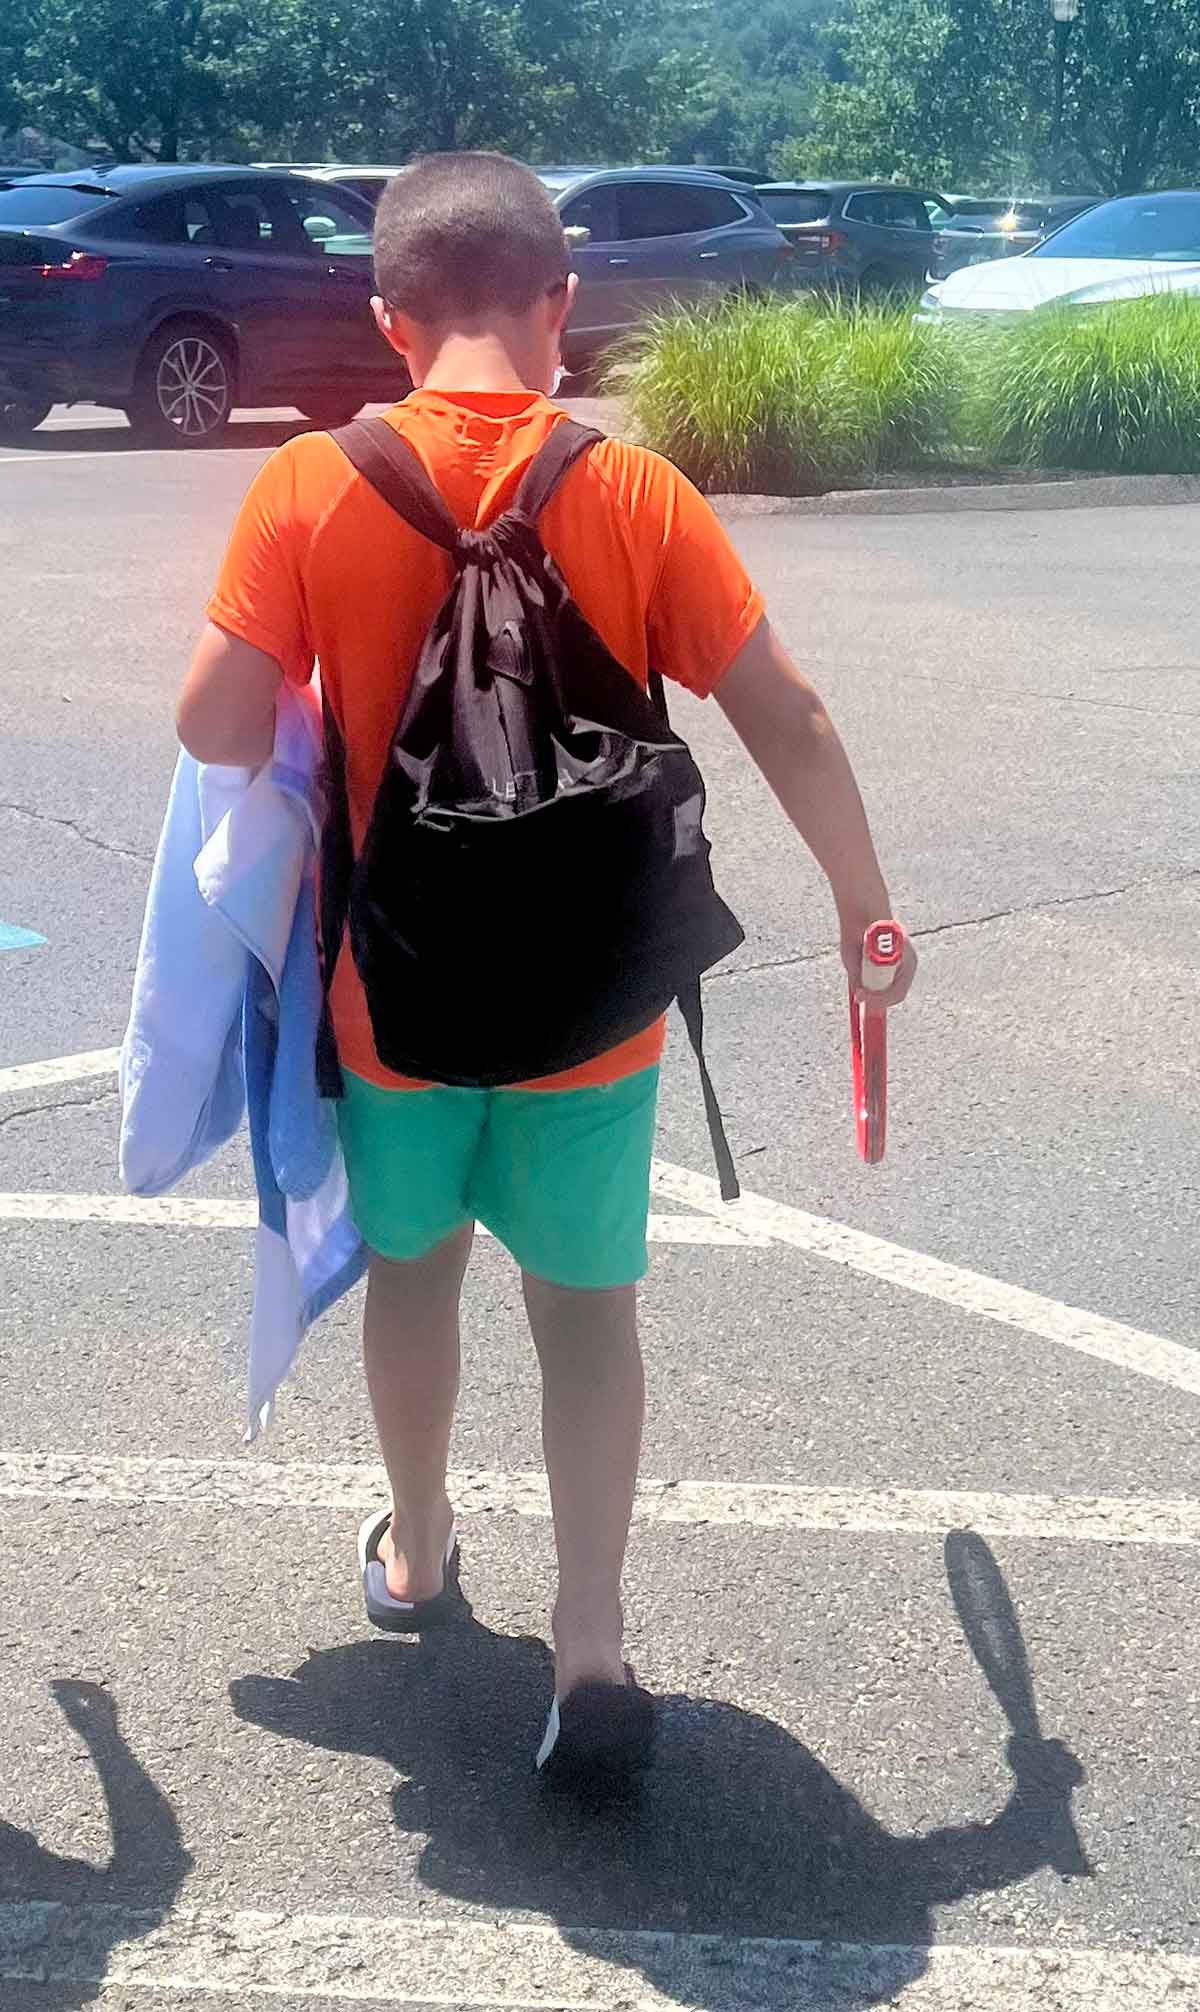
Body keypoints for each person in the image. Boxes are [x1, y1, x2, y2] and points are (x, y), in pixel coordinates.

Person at [176, 151, 916, 1780]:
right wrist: (867, 911)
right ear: (561, 306)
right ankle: (590, 1646)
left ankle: (420, 1550)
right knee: (586, 1315)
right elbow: (788, 715)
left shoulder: (308, 484)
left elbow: (215, 725)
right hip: (595, 1009)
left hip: (397, 1000)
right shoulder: (636, 491)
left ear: (388, 320)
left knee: (415, 1277)